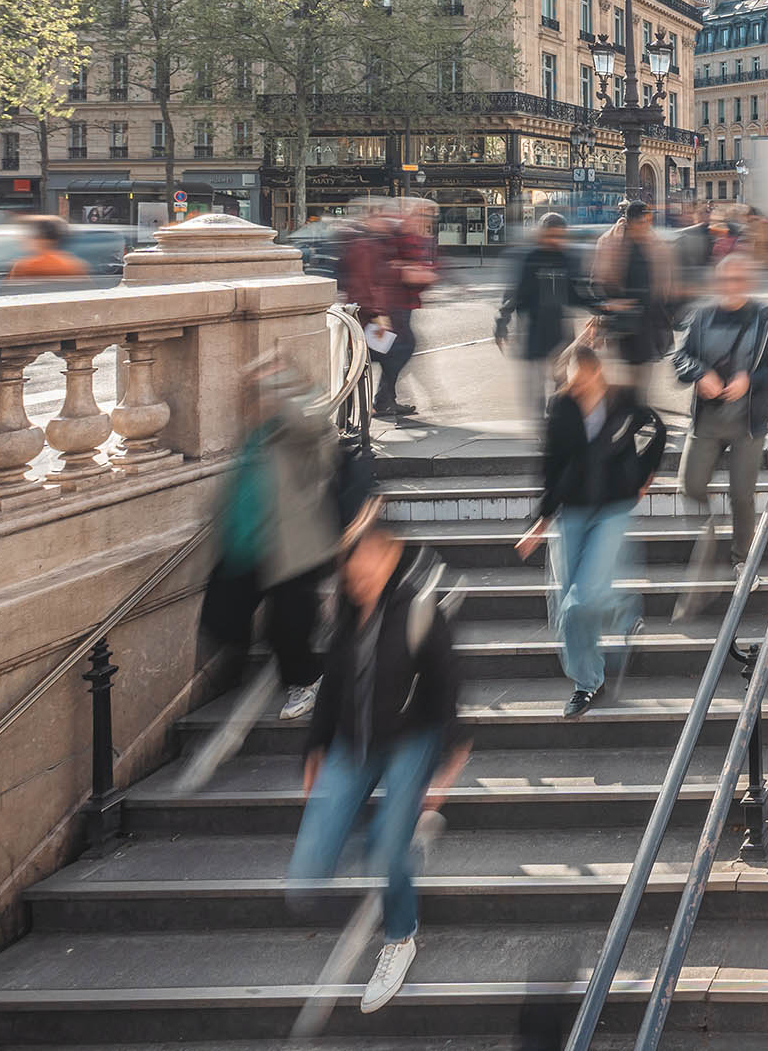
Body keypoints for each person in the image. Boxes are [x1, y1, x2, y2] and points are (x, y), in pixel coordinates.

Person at [287, 509, 469, 1014]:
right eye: (353, 566)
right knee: (305, 875)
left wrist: (448, 762)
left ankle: (400, 936)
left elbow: (448, 685)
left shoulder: (417, 610)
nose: (360, 575)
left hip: (412, 740)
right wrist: (315, 747)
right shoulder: (347, 613)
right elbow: (333, 685)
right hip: (353, 742)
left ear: (390, 558)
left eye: (369, 562)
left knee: (386, 847)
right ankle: (399, 850)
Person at [514, 343, 666, 717]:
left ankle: (620, 618)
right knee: (567, 602)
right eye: (571, 385)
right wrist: (541, 519)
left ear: (598, 374)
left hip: (613, 509)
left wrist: (646, 474)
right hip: (573, 512)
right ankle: (588, 681)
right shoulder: (562, 408)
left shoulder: (622, 401)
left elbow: (657, 429)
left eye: (582, 384)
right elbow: (552, 465)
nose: (576, 392)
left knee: (582, 601)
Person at [199, 367, 340, 721]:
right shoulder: (255, 438)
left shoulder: (297, 437)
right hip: (245, 549)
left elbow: (317, 422)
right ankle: (239, 665)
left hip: (292, 549)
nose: (257, 403)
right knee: (220, 617)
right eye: (255, 397)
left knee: (289, 626)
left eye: (264, 397)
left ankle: (307, 681)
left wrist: (287, 398)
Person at [671, 255, 768, 590]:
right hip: (707, 419)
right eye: (726, 281)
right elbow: (680, 356)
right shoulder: (703, 316)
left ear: (749, 283)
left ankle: (743, 560)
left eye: (739, 280)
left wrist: (749, 380)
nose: (732, 287)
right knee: (691, 484)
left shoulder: (767, 318)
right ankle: (708, 538)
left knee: (742, 493)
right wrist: (699, 373)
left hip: (748, 423)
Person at [497, 213, 599, 427]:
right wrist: (502, 324)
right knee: (535, 382)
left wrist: (599, 306)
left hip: (559, 328)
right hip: (535, 328)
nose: (556, 240)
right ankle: (540, 424)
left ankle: (558, 422)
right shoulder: (530, 258)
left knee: (560, 379)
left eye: (560, 236)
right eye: (552, 235)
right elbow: (514, 294)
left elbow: (576, 293)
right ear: (542, 233)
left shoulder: (566, 258)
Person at [349, 202, 440, 419]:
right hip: (380, 311)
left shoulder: (387, 238)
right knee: (388, 350)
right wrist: (403, 272)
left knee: (395, 349)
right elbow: (370, 277)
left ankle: (382, 400)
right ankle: (372, 401)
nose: (388, 219)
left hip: (390, 309)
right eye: (382, 216)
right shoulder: (367, 242)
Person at [589, 199, 676, 395]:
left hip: (648, 322)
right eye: (641, 223)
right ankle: (635, 414)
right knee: (623, 383)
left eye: (647, 222)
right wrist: (610, 303)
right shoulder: (610, 242)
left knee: (642, 382)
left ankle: (640, 414)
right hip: (621, 325)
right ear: (629, 221)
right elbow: (596, 282)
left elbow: (665, 284)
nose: (645, 227)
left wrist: (668, 309)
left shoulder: (656, 245)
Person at [7, 215, 89, 280]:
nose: (23, 239)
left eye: (29, 234)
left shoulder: (25, 266)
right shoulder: (74, 265)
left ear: (41, 239)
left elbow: (11, 295)